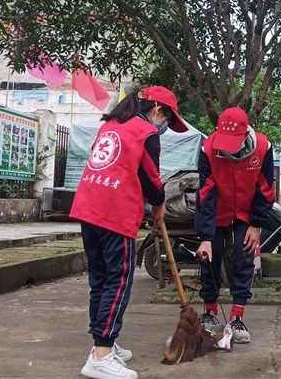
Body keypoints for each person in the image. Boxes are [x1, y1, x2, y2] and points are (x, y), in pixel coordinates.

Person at [70, 86, 188, 379]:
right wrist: (159, 205)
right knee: (118, 281)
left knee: (100, 279)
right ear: (158, 110)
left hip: (88, 207)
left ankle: (104, 342)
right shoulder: (145, 133)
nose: (165, 128)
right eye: (168, 121)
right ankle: (101, 355)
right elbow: (150, 177)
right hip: (115, 212)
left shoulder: (111, 124)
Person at [195, 107, 275, 344]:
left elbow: (266, 188)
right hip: (218, 209)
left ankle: (237, 316)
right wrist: (206, 236)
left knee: (245, 257)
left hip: (247, 211)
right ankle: (209, 313)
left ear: (245, 134)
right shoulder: (208, 149)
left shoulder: (263, 147)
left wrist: (255, 224)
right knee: (210, 257)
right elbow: (205, 193)